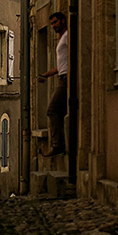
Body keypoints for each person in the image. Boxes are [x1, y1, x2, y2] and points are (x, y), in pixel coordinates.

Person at [37, 11, 69, 158]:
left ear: (63, 20)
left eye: (55, 22)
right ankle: (61, 144)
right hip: (61, 76)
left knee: (52, 110)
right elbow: (59, 65)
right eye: (51, 24)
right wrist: (45, 75)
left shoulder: (68, 36)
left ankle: (58, 145)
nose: (53, 26)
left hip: (67, 78)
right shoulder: (61, 39)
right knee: (59, 111)